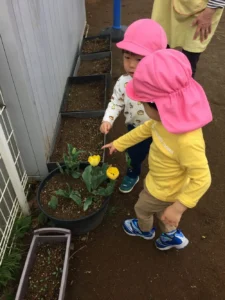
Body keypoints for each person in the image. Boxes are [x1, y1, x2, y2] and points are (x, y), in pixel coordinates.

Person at [103, 49, 212, 250]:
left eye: (143, 103)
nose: (142, 106)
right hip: (165, 183)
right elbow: (144, 129)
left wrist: (179, 208)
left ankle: (144, 230)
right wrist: (119, 143)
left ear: (160, 106)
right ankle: (171, 235)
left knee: (141, 209)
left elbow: (203, 178)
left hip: (162, 191)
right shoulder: (169, 119)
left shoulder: (187, 141)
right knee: (165, 214)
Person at [100, 19, 167, 193]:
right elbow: (115, 102)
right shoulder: (123, 82)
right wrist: (108, 119)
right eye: (127, 57)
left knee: (161, 157)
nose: (131, 64)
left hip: (161, 128)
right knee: (134, 155)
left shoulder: (162, 82)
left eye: (139, 59)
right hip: (135, 128)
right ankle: (132, 173)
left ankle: (159, 179)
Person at [151, 0, 225, 77]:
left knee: (189, 59)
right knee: (160, 46)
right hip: (167, 4)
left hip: (201, 9)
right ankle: (158, 83)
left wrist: (209, 11)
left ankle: (184, 86)